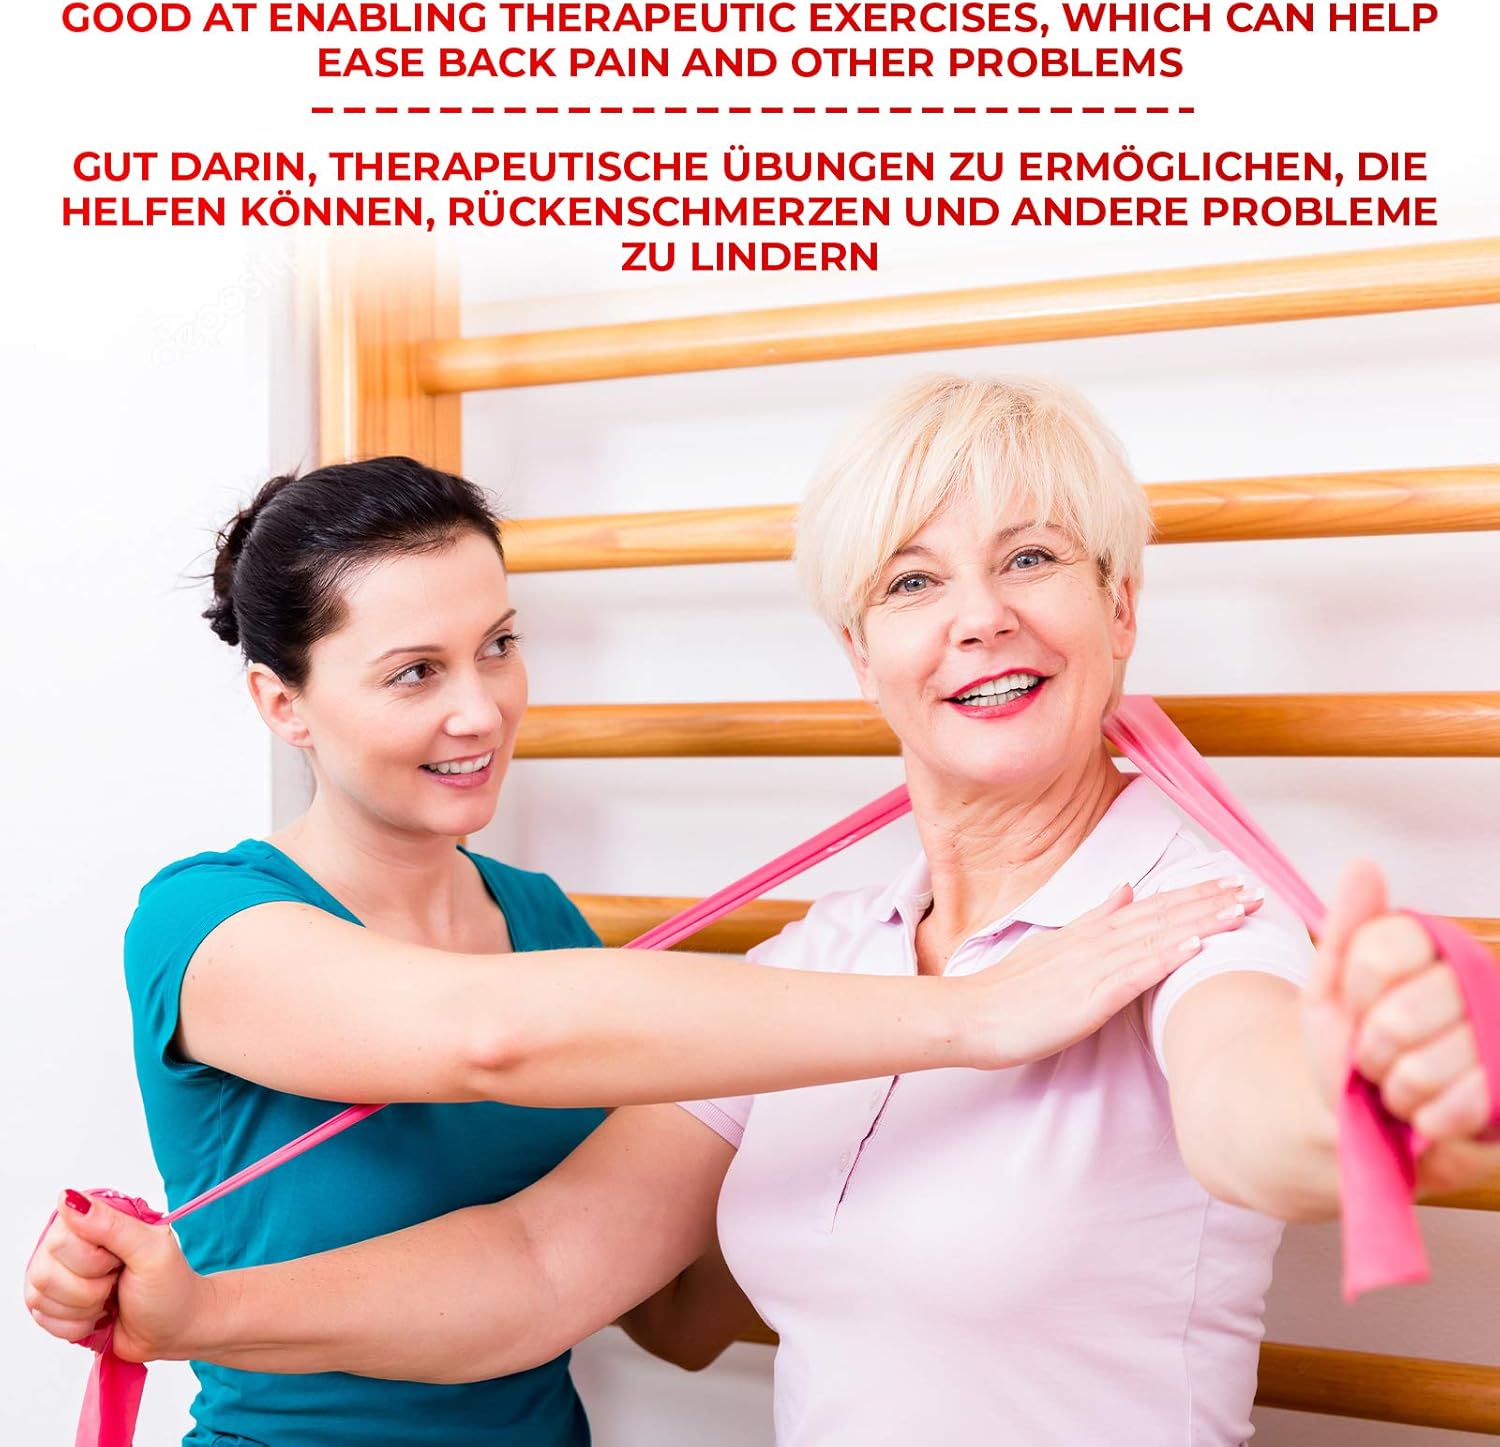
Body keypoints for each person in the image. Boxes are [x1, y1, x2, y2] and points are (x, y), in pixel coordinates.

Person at [33, 381, 1492, 1444]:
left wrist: (1358, 1090)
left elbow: (1260, 1112)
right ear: (862, 655)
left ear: (1121, 607)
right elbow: (544, 1252)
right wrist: (197, 1316)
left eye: (1033, 557)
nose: (979, 614)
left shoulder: (1188, 918)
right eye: (913, 580)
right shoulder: (828, 959)